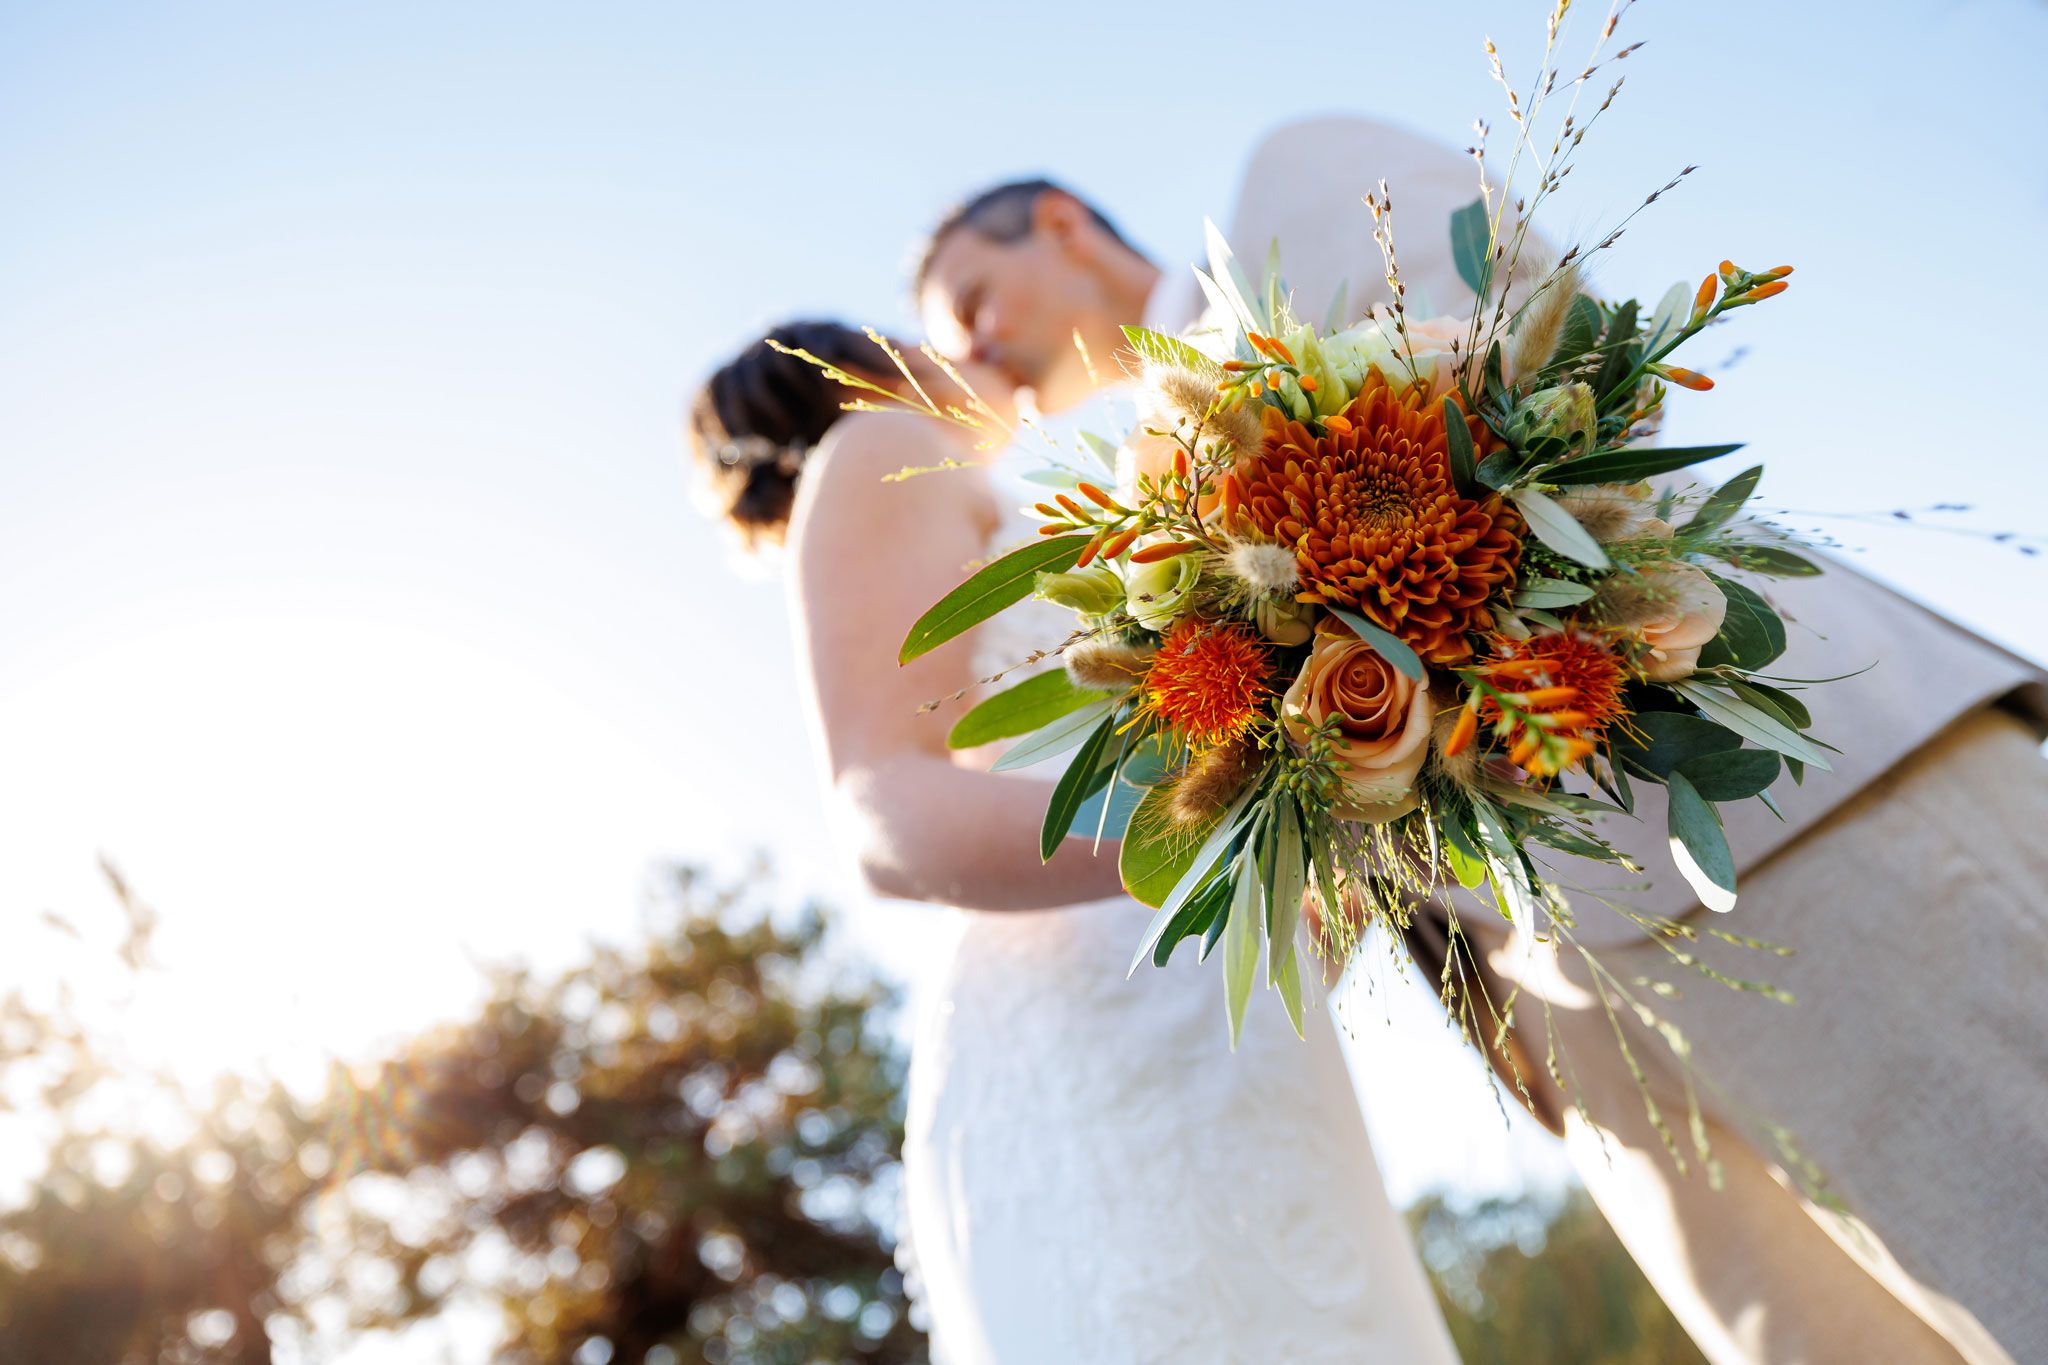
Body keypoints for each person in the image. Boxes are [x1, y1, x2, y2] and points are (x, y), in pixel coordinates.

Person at [918, 121, 2048, 1365]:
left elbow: (1554, 373)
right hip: (1556, 1017)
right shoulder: (1120, 523)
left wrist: (1342, 527)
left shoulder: (1293, 188)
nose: (967, 346)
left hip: (1773, 812)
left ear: (1063, 226)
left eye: (970, 294)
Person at [688, 321, 1461, 1362]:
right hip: (1100, 1025)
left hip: (1216, 1014)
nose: (984, 351)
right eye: (941, 325)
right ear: (881, 371)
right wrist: (1216, 845)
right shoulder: (882, 446)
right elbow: (882, 806)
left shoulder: (979, 494)